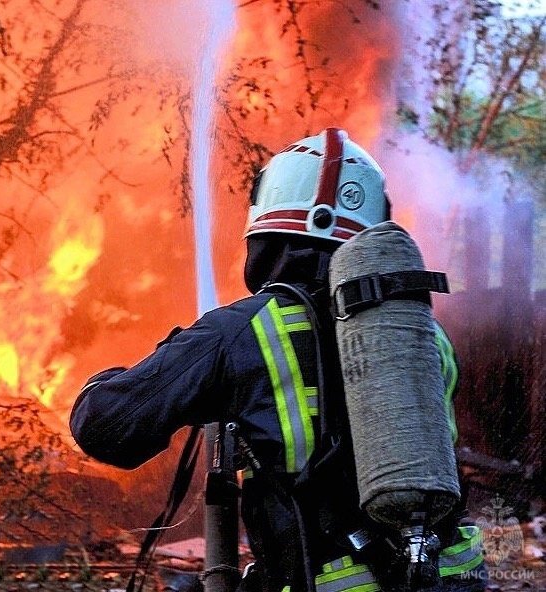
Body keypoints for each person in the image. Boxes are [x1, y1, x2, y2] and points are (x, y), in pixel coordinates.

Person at [69, 129, 486, 592]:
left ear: (269, 224)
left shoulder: (243, 331)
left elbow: (108, 429)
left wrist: (103, 383)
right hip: (450, 573)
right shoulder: (427, 334)